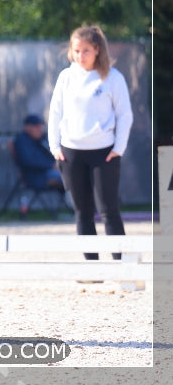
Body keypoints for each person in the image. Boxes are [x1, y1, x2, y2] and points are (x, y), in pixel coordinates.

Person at [48, 25, 133, 260]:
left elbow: (125, 114)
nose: (80, 56)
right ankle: (91, 266)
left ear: (97, 49)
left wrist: (119, 148)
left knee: (109, 211)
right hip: (71, 153)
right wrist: (55, 147)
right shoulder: (66, 76)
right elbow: (55, 112)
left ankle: (120, 263)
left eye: (85, 50)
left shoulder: (113, 77)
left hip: (104, 153)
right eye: (76, 51)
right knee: (82, 212)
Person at [12, 114, 64, 216]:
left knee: (73, 175)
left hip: (47, 173)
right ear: (27, 127)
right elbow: (28, 161)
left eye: (40, 126)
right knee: (68, 177)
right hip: (35, 177)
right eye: (36, 126)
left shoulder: (40, 140)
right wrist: (51, 166)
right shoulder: (22, 140)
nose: (40, 129)